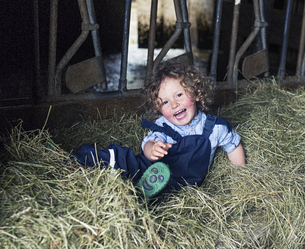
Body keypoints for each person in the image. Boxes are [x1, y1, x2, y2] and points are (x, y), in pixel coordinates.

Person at [73, 60, 245, 200]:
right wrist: (152, 149)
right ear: (159, 108)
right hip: (151, 168)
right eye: (165, 102)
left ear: (196, 94)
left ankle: (136, 194)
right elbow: (148, 143)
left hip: (178, 185)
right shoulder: (164, 125)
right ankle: (82, 161)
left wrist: (240, 177)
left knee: (158, 196)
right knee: (124, 159)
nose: (174, 104)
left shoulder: (215, 128)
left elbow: (233, 145)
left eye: (179, 95)